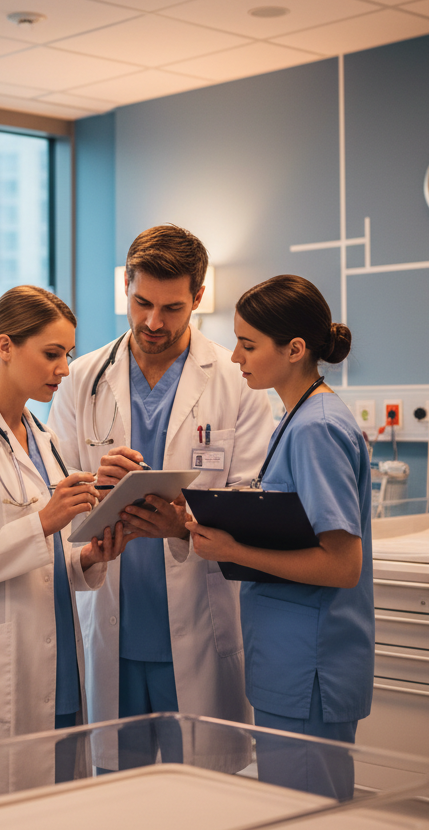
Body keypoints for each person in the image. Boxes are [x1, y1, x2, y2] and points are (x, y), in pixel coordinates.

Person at [49, 226, 272, 768]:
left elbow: (253, 497)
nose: (153, 322)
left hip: (199, 617)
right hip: (110, 623)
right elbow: (53, 495)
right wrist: (94, 485)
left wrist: (182, 523)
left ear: (198, 297)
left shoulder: (236, 380)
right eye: (141, 302)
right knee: (116, 800)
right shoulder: (82, 378)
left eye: (172, 308)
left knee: (198, 802)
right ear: (126, 286)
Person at [0, 285, 131, 806]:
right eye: (51, 354)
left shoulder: (44, 436)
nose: (64, 368)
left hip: (55, 669)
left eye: (69, 355)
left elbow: (47, 559)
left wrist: (88, 557)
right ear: (5, 346)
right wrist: (43, 522)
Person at [186, 274, 374, 799]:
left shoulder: (317, 427)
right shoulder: (298, 418)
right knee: (292, 824)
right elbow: (296, 525)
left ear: (294, 349)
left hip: (308, 667)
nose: (234, 357)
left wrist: (232, 550)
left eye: (247, 345)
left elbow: (342, 565)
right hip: (289, 663)